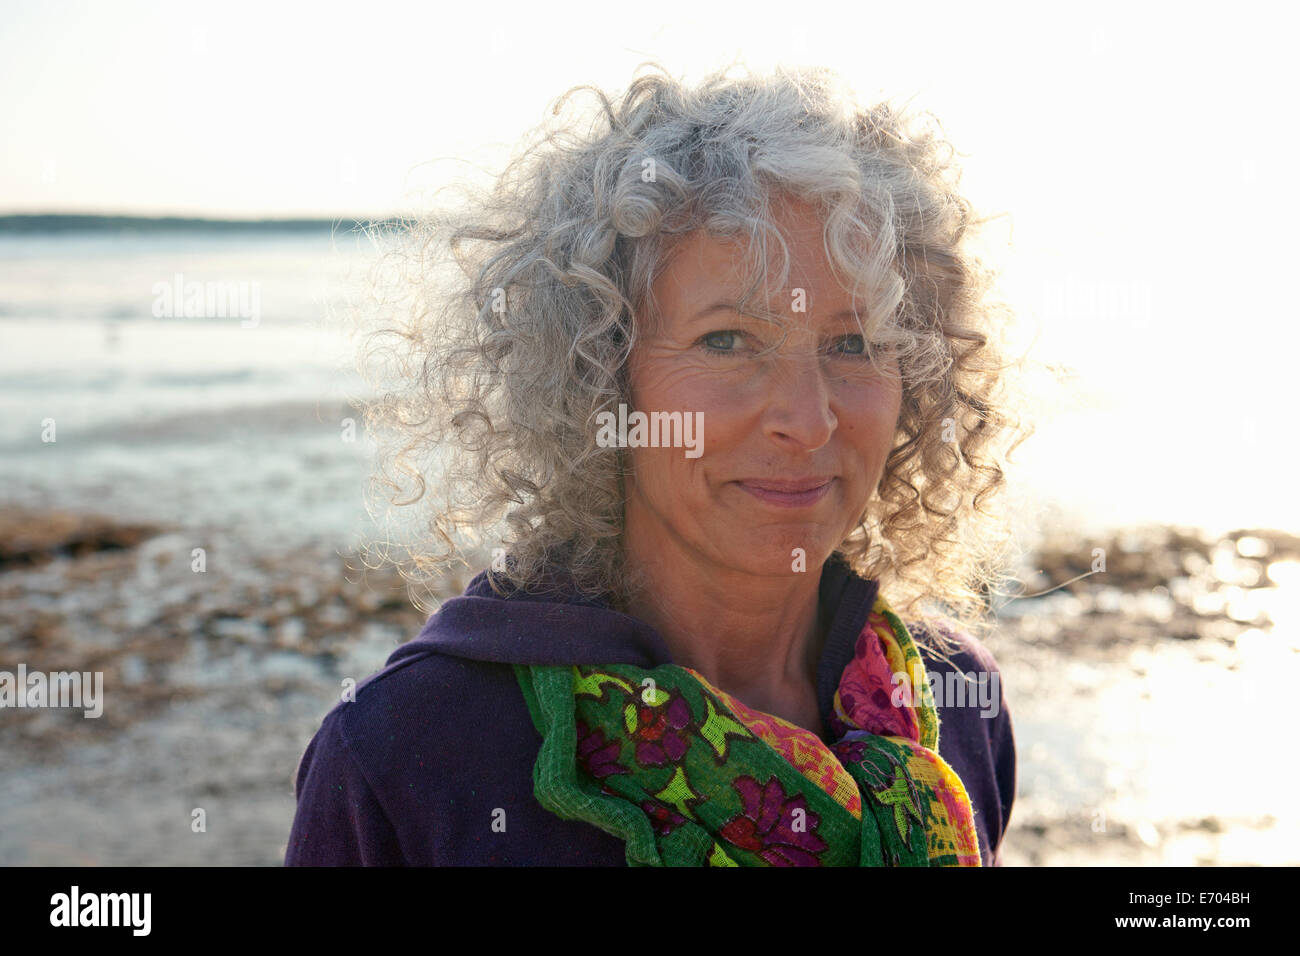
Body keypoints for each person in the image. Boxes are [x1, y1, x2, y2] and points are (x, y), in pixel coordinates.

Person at [286, 62, 1025, 866]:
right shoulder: (410, 756)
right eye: (727, 340)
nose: (809, 421)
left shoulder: (957, 704)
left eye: (855, 344)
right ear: (599, 378)